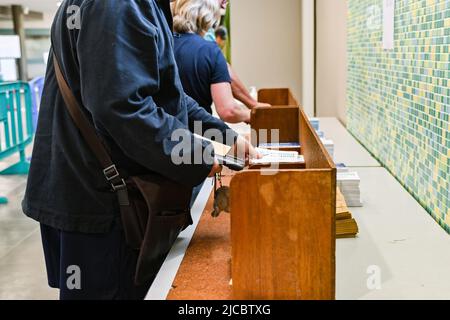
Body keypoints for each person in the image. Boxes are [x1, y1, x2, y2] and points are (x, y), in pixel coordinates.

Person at [22, 0, 257, 300]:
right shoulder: (120, 4)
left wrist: (224, 136)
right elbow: (124, 109)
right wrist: (200, 155)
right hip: (100, 203)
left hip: (95, 194)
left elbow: (166, 94)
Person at [173, 0, 250, 124]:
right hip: (196, 134)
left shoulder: (162, 45)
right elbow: (228, 111)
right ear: (211, 16)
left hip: (161, 132)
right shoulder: (210, 51)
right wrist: (251, 114)